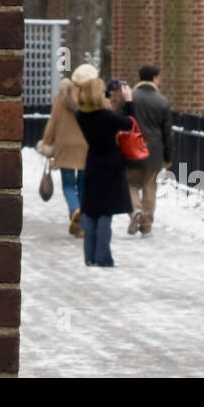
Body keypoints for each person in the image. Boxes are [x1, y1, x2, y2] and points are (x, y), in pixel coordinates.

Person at [73, 71, 134, 266]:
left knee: (91, 212)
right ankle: (103, 257)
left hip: (93, 164)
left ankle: (89, 257)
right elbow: (129, 124)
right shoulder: (107, 117)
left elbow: (95, 102)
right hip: (110, 166)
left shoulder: (81, 116)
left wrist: (106, 89)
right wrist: (128, 101)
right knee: (105, 214)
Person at [126, 64, 173, 236]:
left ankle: (135, 210)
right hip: (153, 151)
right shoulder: (162, 101)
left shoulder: (130, 97)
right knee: (149, 187)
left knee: (130, 183)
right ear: (154, 78)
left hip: (131, 148)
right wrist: (168, 156)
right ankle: (146, 226)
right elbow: (167, 133)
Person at [39, 72, 88, 236]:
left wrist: (46, 142)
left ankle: (75, 211)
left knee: (68, 184)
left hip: (65, 146)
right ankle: (80, 226)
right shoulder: (91, 96)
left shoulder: (62, 97)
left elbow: (53, 121)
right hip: (85, 146)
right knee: (82, 185)